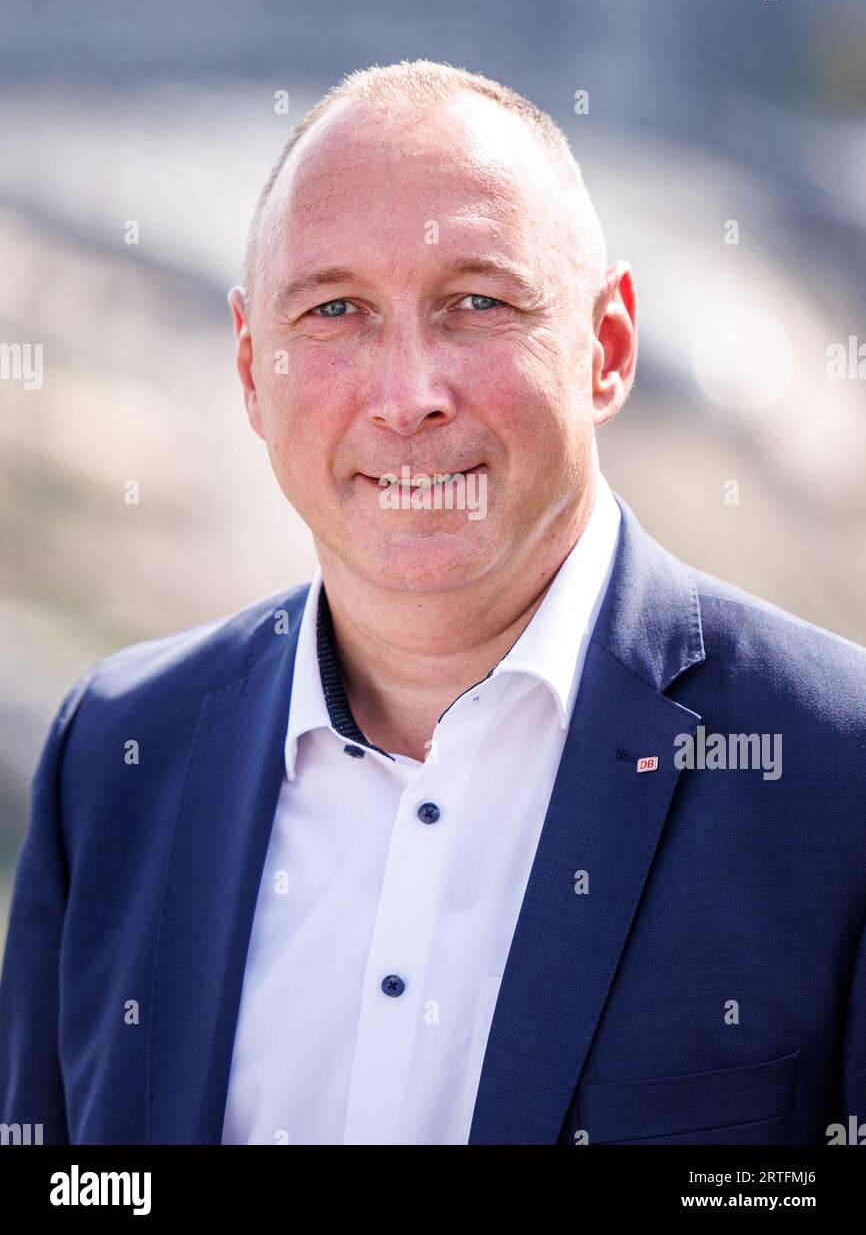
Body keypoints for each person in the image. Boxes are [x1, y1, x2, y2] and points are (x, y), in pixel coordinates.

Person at [1, 59, 864, 1146]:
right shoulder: (117, 755)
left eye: (476, 303)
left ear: (605, 347)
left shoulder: (837, 771)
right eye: (335, 309)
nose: (409, 394)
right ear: (249, 365)